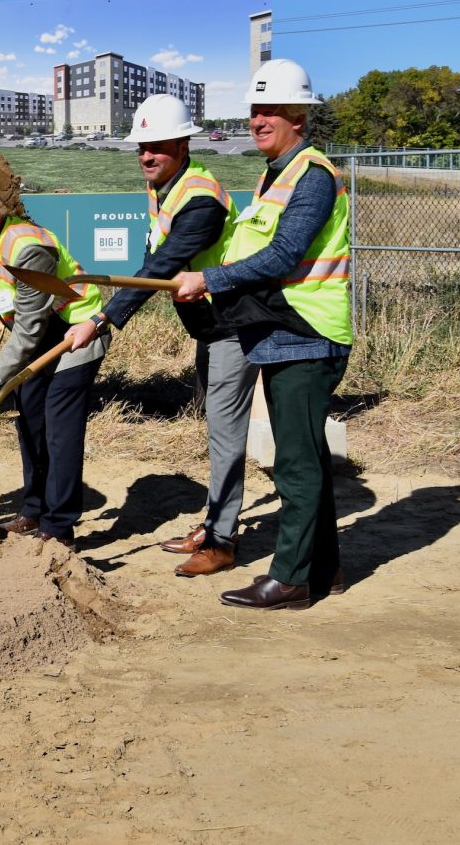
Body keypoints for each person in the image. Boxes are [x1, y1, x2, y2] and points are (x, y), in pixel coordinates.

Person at [172, 58, 353, 610]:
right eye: (255, 109)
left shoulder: (313, 174)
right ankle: (324, 569)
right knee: (311, 459)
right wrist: (216, 284)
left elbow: (284, 254)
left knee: (296, 465)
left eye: (271, 109)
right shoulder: (276, 171)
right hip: (283, 331)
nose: (258, 119)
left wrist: (210, 277)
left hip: (307, 332)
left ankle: (291, 579)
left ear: (300, 114)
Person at [64, 95, 253, 576]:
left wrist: (104, 320)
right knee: (215, 426)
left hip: (234, 325)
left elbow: (161, 267)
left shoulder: (201, 200)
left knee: (226, 434)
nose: (146, 155)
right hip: (210, 328)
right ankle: (213, 524)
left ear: (183, 143)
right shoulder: (167, 187)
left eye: (158, 146)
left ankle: (223, 541)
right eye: (141, 147)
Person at [0, 153, 107, 547]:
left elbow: (31, 326)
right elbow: (2, 293)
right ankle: (33, 508)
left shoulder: (29, 246)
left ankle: (59, 528)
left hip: (75, 332)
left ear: (2, 200)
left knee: (59, 428)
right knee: (30, 422)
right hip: (35, 333)